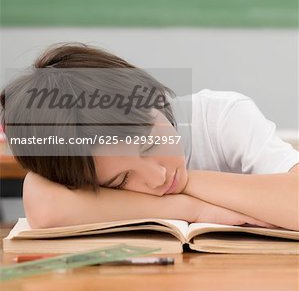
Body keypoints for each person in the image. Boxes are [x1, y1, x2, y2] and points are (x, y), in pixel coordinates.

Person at [1, 43, 298, 230]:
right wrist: (192, 209)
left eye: (150, 144)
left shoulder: (221, 117)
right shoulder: (78, 159)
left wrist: (191, 183)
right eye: (121, 181)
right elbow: (44, 207)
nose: (157, 177)